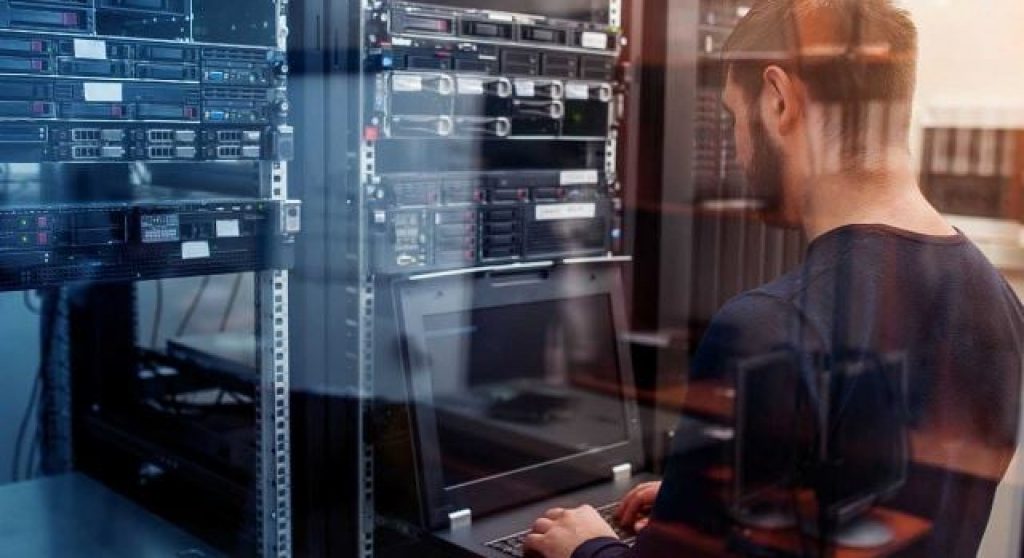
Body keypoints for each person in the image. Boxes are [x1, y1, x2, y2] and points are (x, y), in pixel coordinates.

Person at [523, 0, 1023, 557]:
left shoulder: (770, 325)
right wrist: (703, 504)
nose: (738, 149)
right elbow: (878, 500)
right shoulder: (995, 297)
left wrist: (587, 548)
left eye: (736, 116)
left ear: (779, 99)